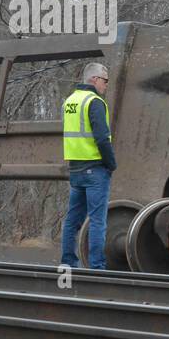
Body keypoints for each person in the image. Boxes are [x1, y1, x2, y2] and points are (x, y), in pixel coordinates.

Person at [60, 62, 116, 269]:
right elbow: (102, 138)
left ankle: (68, 262)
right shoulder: (95, 102)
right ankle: (97, 268)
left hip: (75, 169)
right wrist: (111, 164)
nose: (106, 85)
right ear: (94, 79)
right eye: (105, 80)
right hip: (95, 169)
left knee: (72, 220)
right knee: (97, 221)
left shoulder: (70, 102)